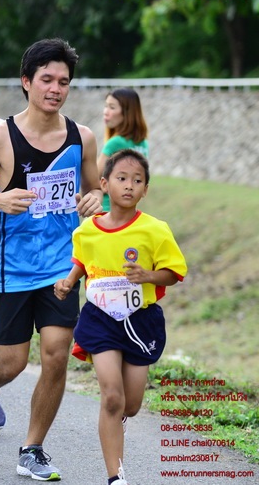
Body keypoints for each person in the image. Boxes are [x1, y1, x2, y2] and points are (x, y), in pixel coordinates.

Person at [0, 38, 103, 481]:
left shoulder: (82, 138)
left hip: (60, 264)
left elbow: (94, 189)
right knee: (12, 363)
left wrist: (93, 200)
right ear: (26, 82)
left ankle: (32, 449)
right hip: (10, 268)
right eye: (46, 80)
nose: (55, 89)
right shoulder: (0, 136)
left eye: (63, 82)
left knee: (56, 355)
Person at [55, 150, 186, 485]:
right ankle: (116, 476)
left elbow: (173, 272)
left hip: (140, 321)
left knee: (131, 404)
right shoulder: (87, 230)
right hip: (100, 319)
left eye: (137, 181)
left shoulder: (155, 230)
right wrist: (69, 282)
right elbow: (83, 260)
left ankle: (119, 418)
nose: (129, 185)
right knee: (112, 397)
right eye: (122, 178)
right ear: (104, 184)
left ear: (145, 190)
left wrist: (147, 275)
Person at [99, 89, 149, 212]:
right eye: (106, 106)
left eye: (112, 107)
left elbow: (93, 180)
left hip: (107, 210)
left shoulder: (115, 143)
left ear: (127, 112)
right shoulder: (143, 143)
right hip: (129, 212)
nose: (106, 112)